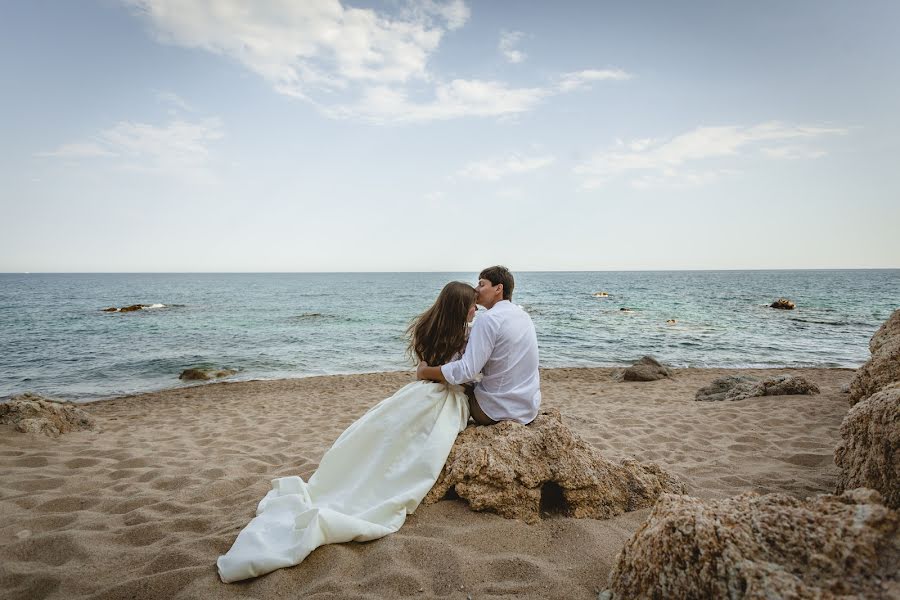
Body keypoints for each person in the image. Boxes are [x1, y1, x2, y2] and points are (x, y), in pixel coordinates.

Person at [217, 281, 477, 583]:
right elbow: (463, 375)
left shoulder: (429, 327)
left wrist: (428, 373)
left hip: (418, 392)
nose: (476, 309)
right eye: (472, 304)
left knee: (384, 435)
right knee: (407, 447)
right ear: (460, 307)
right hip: (443, 399)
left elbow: (425, 368)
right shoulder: (466, 336)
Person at [416, 266, 541, 425]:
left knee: (450, 386)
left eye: (482, 284)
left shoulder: (488, 319)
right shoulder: (523, 316)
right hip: (528, 408)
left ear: (498, 288)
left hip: (496, 412)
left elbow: (466, 371)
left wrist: (425, 371)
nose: (476, 289)